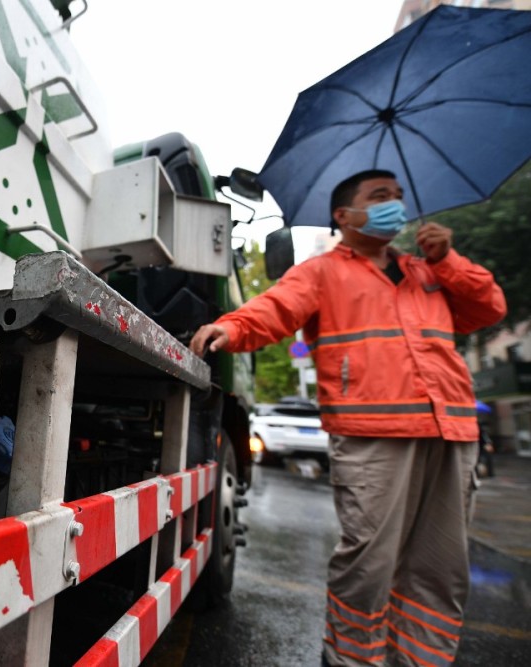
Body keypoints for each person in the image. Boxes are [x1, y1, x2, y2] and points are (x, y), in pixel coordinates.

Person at [190, 169, 507, 667]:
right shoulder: (323, 271)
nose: (394, 205)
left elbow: (488, 308)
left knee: (440, 566)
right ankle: (350, 659)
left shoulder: (429, 272)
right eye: (379, 197)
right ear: (344, 215)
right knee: (369, 563)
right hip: (372, 434)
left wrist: (446, 259)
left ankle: (422, 660)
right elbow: (276, 308)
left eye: (398, 196)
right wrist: (231, 328)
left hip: (451, 430)